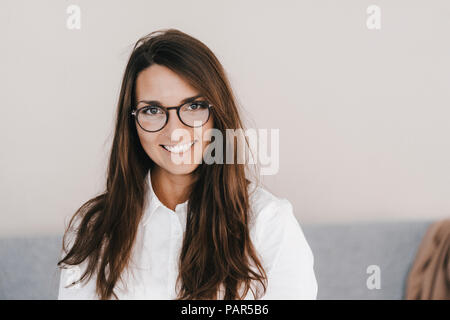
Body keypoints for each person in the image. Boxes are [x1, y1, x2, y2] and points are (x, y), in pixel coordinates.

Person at [57, 28, 318, 300]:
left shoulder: (269, 223)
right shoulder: (93, 229)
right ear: (131, 122)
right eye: (152, 110)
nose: (175, 132)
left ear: (218, 113)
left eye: (193, 107)